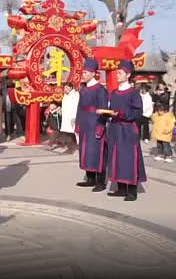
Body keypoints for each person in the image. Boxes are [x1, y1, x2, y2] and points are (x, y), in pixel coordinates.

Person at [102, 59, 146, 202]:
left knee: (129, 159)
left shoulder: (133, 93)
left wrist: (122, 114)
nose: (117, 75)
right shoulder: (114, 93)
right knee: (116, 158)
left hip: (127, 130)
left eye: (120, 73)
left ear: (128, 75)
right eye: (117, 72)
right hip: (115, 129)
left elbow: (137, 113)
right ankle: (120, 188)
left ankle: (132, 191)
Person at [75, 58, 109, 191]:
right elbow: (79, 107)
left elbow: (104, 110)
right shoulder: (83, 89)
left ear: (93, 73)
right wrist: (78, 123)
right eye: (83, 71)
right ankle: (90, 179)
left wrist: (101, 127)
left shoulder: (100, 90)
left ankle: (101, 182)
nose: (83, 74)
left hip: (95, 124)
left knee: (97, 153)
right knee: (86, 152)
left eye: (86, 72)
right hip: (85, 124)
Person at [60, 82, 79, 153]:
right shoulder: (65, 95)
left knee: (76, 132)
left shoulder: (76, 95)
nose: (65, 89)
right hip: (66, 117)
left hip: (74, 116)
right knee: (68, 133)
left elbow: (77, 106)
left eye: (67, 87)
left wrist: (76, 116)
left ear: (71, 88)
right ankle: (70, 148)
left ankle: (78, 146)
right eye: (64, 88)